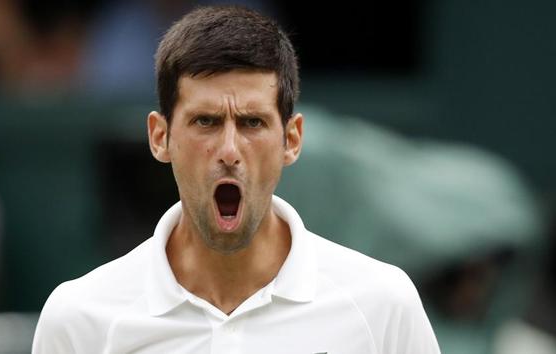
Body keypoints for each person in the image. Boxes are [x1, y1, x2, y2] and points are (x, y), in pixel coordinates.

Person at [32, 5, 440, 353]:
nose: (229, 150)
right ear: (160, 137)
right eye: (205, 121)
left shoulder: (383, 305)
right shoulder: (78, 319)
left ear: (291, 139)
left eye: (252, 122)